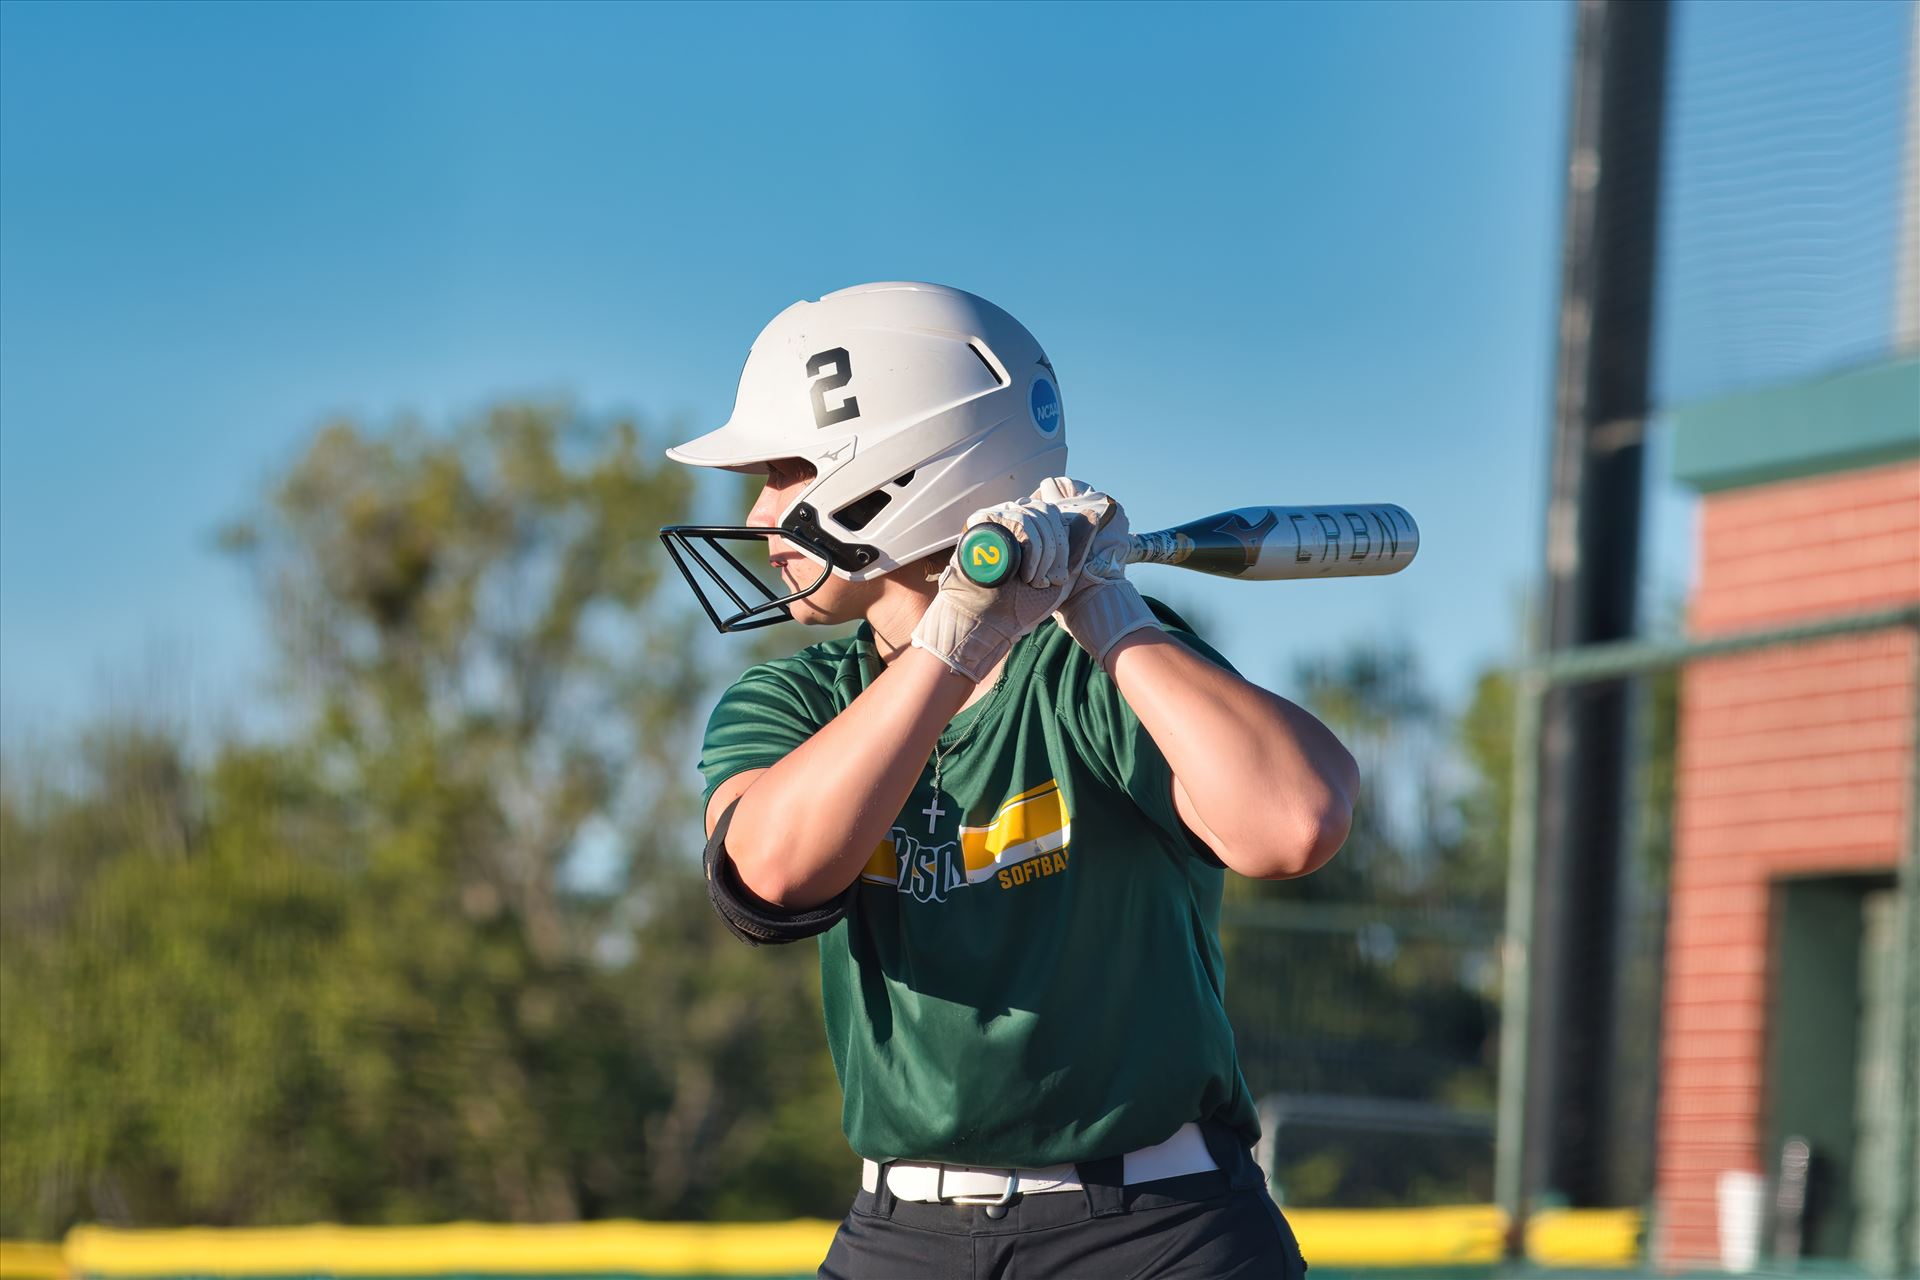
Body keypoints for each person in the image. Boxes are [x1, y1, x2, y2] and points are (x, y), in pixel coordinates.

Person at [659, 282, 1357, 1278]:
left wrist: (1112, 612)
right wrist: (949, 639)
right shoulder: (798, 698)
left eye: (783, 471)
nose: (761, 512)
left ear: (901, 469)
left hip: (1157, 1226)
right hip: (903, 1229)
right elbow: (772, 873)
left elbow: (1296, 820)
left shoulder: (1098, 665)